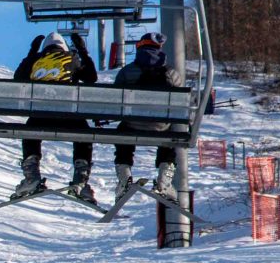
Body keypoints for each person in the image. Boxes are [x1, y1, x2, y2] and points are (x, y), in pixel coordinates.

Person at [12, 30, 99, 201]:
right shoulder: (71, 59)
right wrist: (83, 51)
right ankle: (80, 179)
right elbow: (91, 78)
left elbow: (18, 78)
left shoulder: (37, 60)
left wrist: (31, 53)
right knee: (84, 135)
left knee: (29, 131)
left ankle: (32, 177)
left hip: (40, 117)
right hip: (70, 118)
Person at [111, 32, 185, 198]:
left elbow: (115, 100)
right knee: (171, 135)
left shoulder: (127, 71)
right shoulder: (171, 73)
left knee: (122, 132)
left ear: (139, 47)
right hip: (161, 127)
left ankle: (124, 177)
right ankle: (164, 179)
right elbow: (181, 105)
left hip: (131, 125)